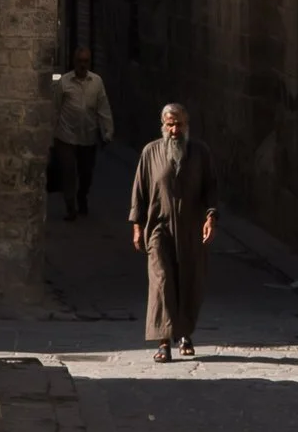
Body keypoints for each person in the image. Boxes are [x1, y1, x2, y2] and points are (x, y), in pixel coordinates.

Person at [128, 101, 216, 361]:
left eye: (179, 124)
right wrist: (137, 226)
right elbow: (140, 191)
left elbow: (211, 187)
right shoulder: (151, 152)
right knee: (162, 280)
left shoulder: (200, 153)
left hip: (191, 227)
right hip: (159, 227)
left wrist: (211, 217)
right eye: (170, 125)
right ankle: (164, 341)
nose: (174, 130)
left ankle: (185, 333)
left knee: (189, 280)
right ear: (163, 126)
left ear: (187, 125)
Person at [47, 48, 113, 221]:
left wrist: (107, 131)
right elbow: (55, 109)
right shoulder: (64, 82)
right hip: (66, 136)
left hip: (88, 137)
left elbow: (103, 108)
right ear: (74, 62)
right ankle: (70, 207)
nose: (83, 65)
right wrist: (50, 135)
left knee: (86, 173)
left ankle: (82, 195)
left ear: (89, 63)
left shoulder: (97, 82)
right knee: (68, 171)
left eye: (86, 61)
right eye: (80, 61)